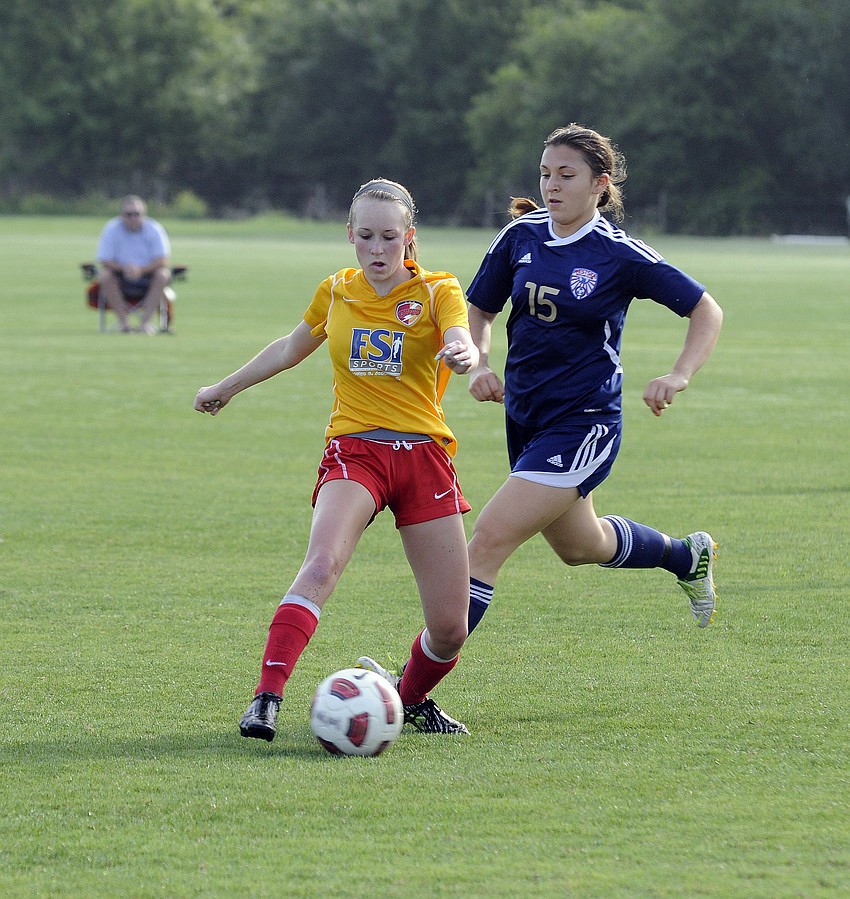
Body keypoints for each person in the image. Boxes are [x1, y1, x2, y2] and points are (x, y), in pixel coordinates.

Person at [358, 124, 723, 693]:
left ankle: (408, 692)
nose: (551, 185)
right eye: (545, 173)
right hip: (525, 417)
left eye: (566, 175)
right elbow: (477, 310)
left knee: (487, 542)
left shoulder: (619, 254)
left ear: (601, 186)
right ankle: (685, 557)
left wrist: (678, 374)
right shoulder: (518, 238)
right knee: (582, 546)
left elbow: (706, 310)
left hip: (585, 421)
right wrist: (479, 364)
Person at [194, 178, 479, 741]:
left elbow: (459, 333)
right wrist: (227, 387)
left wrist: (464, 351)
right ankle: (266, 699)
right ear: (350, 235)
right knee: (322, 564)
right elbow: (289, 347)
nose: (377, 250)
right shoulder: (336, 291)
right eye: (366, 236)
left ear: (410, 238)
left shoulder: (437, 289)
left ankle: (405, 698)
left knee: (450, 628)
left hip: (424, 456)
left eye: (389, 238)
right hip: (356, 451)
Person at [96, 195, 171, 334]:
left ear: (144, 214)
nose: (132, 218)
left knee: (163, 275)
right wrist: (123, 269)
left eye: (137, 214)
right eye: (128, 214)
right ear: (121, 215)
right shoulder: (111, 229)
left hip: (148, 278)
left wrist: (141, 270)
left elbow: (162, 259)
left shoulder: (154, 229)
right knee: (105, 275)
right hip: (119, 280)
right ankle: (124, 323)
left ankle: (145, 323)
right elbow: (104, 259)